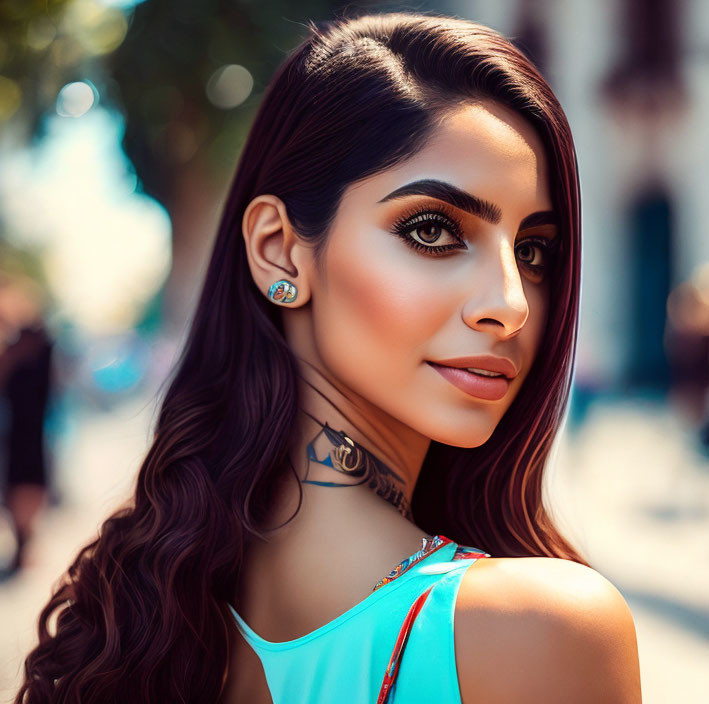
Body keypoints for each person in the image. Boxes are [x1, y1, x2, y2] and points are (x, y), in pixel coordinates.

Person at [15, 11, 641, 704]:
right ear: (280, 250)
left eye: (534, 252)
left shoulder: (150, 612)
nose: (512, 304)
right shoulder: (540, 633)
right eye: (433, 230)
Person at [0, 273, 54, 582]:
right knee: (17, 488)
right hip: (20, 431)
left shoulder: (37, 344)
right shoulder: (20, 343)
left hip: (30, 431)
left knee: (25, 487)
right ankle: (23, 547)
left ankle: (25, 547)